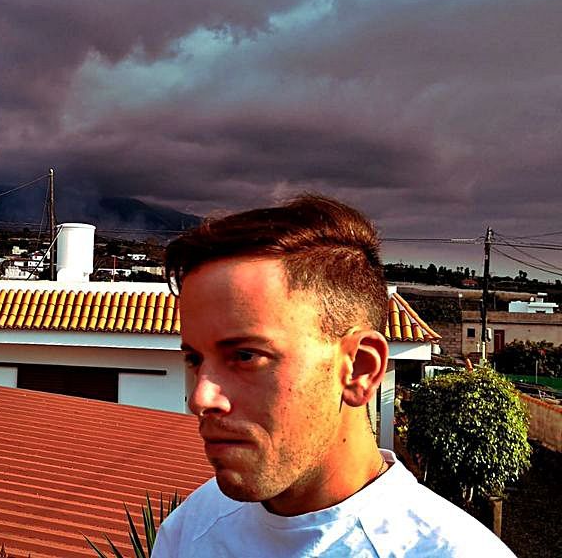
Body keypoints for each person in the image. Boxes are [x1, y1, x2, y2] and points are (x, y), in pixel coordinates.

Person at [154, 195, 514, 557]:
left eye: (246, 356)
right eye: (195, 359)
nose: (200, 398)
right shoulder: (190, 529)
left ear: (359, 369)